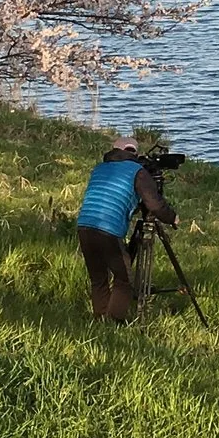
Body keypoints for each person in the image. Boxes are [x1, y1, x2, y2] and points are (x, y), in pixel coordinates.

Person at [76, 135, 174, 322]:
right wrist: (172, 218)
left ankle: (100, 320)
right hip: (109, 228)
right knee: (124, 280)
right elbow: (154, 205)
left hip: (85, 224)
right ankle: (114, 322)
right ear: (135, 154)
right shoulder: (137, 171)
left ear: (114, 151)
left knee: (98, 278)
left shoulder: (100, 168)